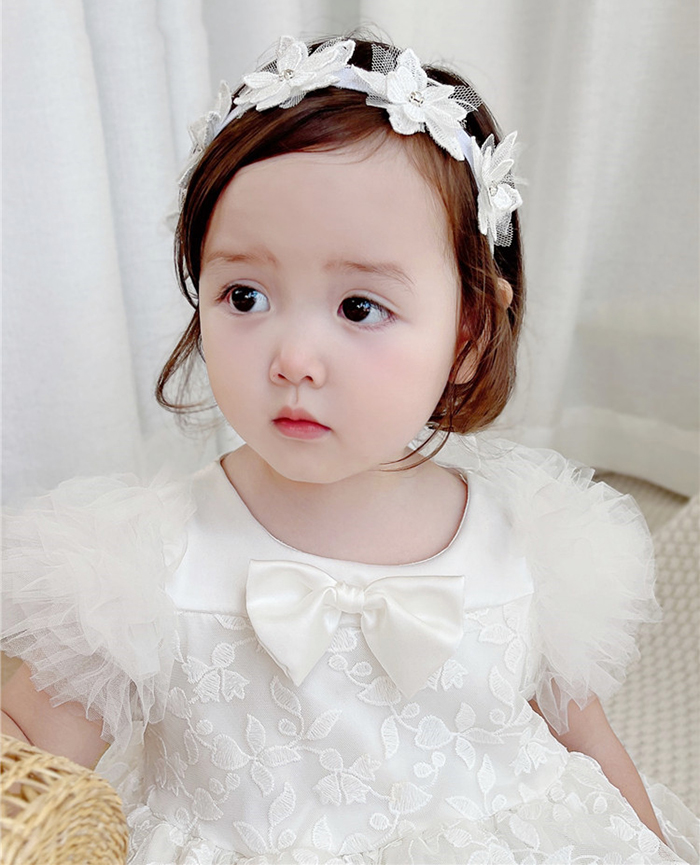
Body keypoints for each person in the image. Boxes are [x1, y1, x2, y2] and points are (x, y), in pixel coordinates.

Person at [2, 33, 698, 865]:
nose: (294, 358)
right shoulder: (134, 562)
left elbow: (591, 750)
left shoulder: (532, 541)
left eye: (359, 307)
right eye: (244, 295)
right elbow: (29, 760)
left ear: (469, 334)